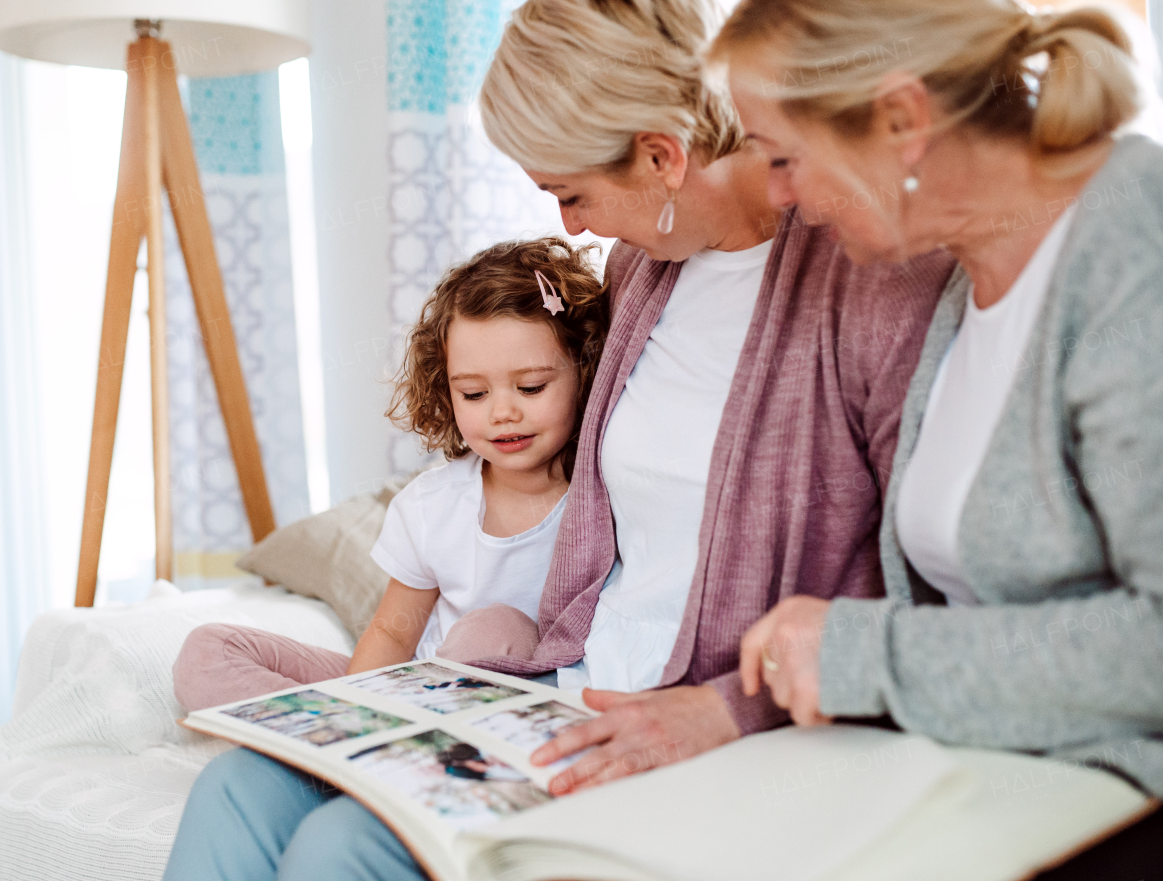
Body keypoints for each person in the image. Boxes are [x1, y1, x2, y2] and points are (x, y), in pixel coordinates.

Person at [163, 1, 955, 877]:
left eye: (571, 192)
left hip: (699, 723)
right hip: (562, 686)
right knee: (236, 787)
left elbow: (916, 589)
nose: (571, 227)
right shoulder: (642, 271)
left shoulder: (869, 277)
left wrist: (725, 709)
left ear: (661, 157)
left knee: (341, 848)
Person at [713, 0, 1163, 801]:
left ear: (900, 119)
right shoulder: (962, 280)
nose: (779, 195)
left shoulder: (1134, 243)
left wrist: (865, 655)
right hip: (978, 780)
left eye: (784, 158)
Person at [170, 237, 608, 715]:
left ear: (584, 372)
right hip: (413, 694)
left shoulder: (605, 494)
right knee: (208, 652)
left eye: (530, 387)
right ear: (446, 390)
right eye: (474, 394)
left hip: (518, 701)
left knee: (496, 629)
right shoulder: (432, 505)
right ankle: (346, 747)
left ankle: (355, 751)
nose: (502, 412)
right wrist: (363, 710)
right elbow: (394, 633)